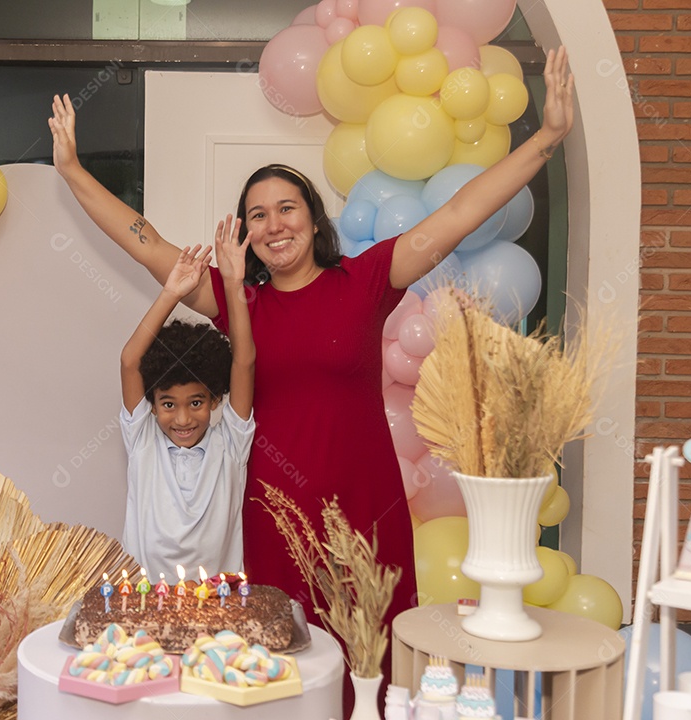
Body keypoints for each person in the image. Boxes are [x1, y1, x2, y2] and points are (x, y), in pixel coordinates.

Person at [52, 47, 574, 679]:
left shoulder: (368, 278)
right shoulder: (236, 301)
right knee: (280, 668)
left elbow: (459, 214)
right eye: (257, 215)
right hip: (273, 515)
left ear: (313, 217)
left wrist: (546, 138)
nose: (274, 225)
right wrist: (75, 171)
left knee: (368, 660)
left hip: (365, 503)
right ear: (244, 232)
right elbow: (148, 244)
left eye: (287, 208)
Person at [118, 233, 255, 583]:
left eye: (195, 403)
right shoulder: (142, 441)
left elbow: (243, 361)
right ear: (151, 404)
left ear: (214, 399)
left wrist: (233, 284)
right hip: (144, 606)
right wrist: (171, 293)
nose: (182, 419)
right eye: (167, 404)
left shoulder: (231, 445)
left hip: (216, 612)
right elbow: (130, 360)